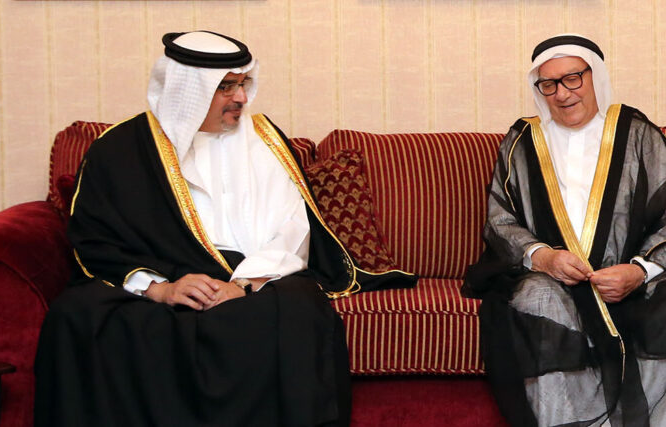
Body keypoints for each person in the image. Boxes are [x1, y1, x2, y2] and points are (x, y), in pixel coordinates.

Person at [34, 30, 413, 426]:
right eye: (226, 87)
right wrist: (160, 288)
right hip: (163, 276)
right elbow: (95, 240)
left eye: (244, 83)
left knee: (297, 308)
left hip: (254, 276)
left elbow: (292, 229)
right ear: (187, 90)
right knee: (78, 315)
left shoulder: (264, 140)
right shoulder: (120, 149)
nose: (242, 98)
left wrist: (244, 284)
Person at [464, 34, 666, 427]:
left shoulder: (638, 133)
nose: (562, 93)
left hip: (629, 279)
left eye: (573, 78)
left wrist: (638, 270)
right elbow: (500, 221)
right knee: (536, 299)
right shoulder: (523, 140)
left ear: (594, 77)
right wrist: (544, 257)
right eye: (549, 84)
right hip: (554, 280)